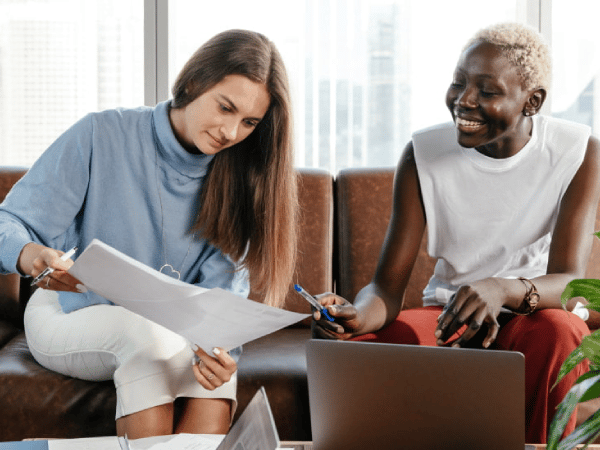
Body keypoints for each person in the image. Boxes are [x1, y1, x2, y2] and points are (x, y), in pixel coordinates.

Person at [0, 29, 298, 438]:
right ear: (193, 83)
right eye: (225, 108)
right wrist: (31, 254)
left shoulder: (241, 177)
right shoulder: (100, 134)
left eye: (249, 122)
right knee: (149, 340)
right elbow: (9, 222)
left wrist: (221, 353)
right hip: (69, 312)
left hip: (168, 330)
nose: (231, 132)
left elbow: (220, 302)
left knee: (208, 368)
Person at [312, 22, 600, 444]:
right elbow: (386, 291)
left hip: (531, 313)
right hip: (450, 318)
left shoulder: (578, 151)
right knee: (359, 348)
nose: (464, 101)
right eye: (458, 83)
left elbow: (571, 282)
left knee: (562, 332)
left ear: (531, 101)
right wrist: (356, 315)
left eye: (487, 91)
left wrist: (501, 288)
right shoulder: (423, 154)